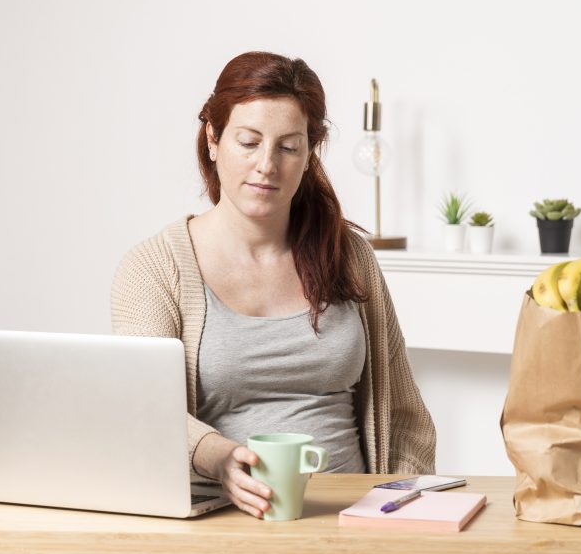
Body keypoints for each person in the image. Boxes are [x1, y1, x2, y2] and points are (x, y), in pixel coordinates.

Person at [110, 51, 435, 519]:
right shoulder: (154, 269)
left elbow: (406, 419)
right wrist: (217, 456)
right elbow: (138, 407)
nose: (267, 165)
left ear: (309, 155)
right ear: (213, 140)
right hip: (222, 519)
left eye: (288, 147)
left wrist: (397, 508)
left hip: (356, 520)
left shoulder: (351, 258)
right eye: (248, 142)